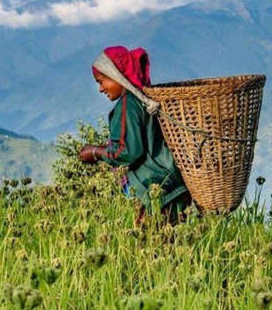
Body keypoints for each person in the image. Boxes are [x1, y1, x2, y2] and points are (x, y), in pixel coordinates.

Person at [79, 46, 191, 226]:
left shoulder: (128, 104)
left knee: (152, 245)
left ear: (116, 75)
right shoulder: (142, 99)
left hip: (153, 187)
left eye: (101, 81)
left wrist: (95, 152)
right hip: (171, 184)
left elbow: (128, 152)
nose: (100, 89)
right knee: (175, 245)